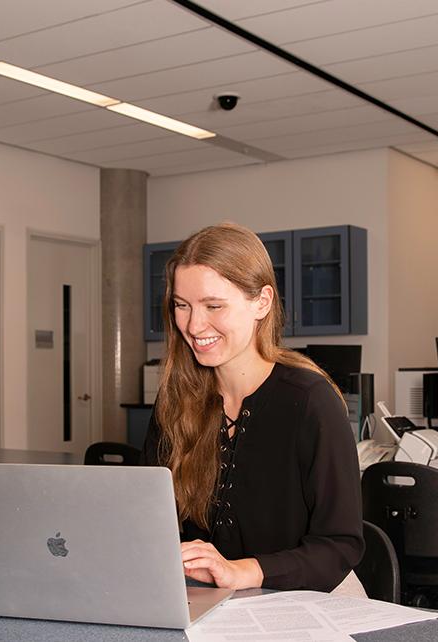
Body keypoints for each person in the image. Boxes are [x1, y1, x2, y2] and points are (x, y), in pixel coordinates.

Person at [142, 222, 363, 592]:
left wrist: (241, 571)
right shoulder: (175, 401)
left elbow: (340, 546)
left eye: (213, 305)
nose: (194, 325)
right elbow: (147, 516)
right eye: (182, 306)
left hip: (309, 599)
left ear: (261, 302)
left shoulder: (310, 400)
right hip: (207, 597)